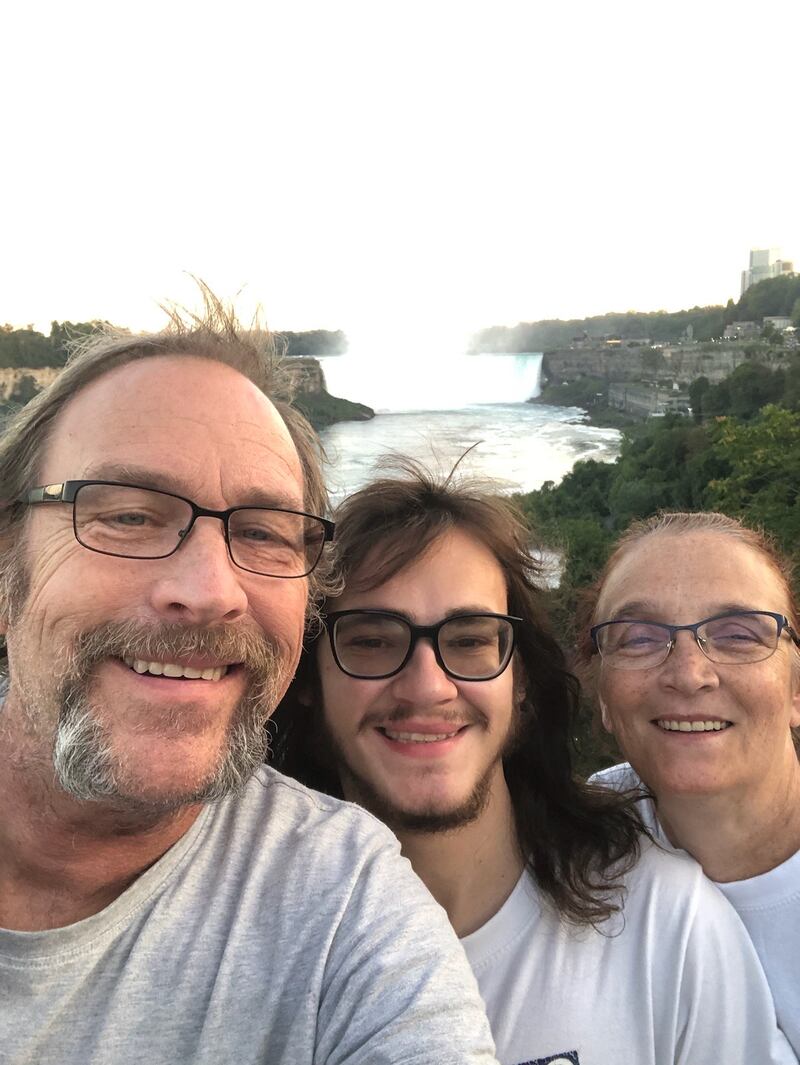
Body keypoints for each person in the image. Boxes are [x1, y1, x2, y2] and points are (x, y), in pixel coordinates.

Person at [0, 303, 499, 1065]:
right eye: (130, 515)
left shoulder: (345, 905)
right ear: (8, 569)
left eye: (264, 531)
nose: (210, 590)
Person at [271, 463, 797, 1065]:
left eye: (469, 640)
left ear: (520, 680)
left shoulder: (666, 927)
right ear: (306, 677)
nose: (427, 688)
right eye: (370, 641)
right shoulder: (246, 951)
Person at [582, 510, 800, 1056]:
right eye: (637, 638)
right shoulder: (574, 851)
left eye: (737, 634)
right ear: (604, 697)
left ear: (796, 689)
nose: (688, 674)